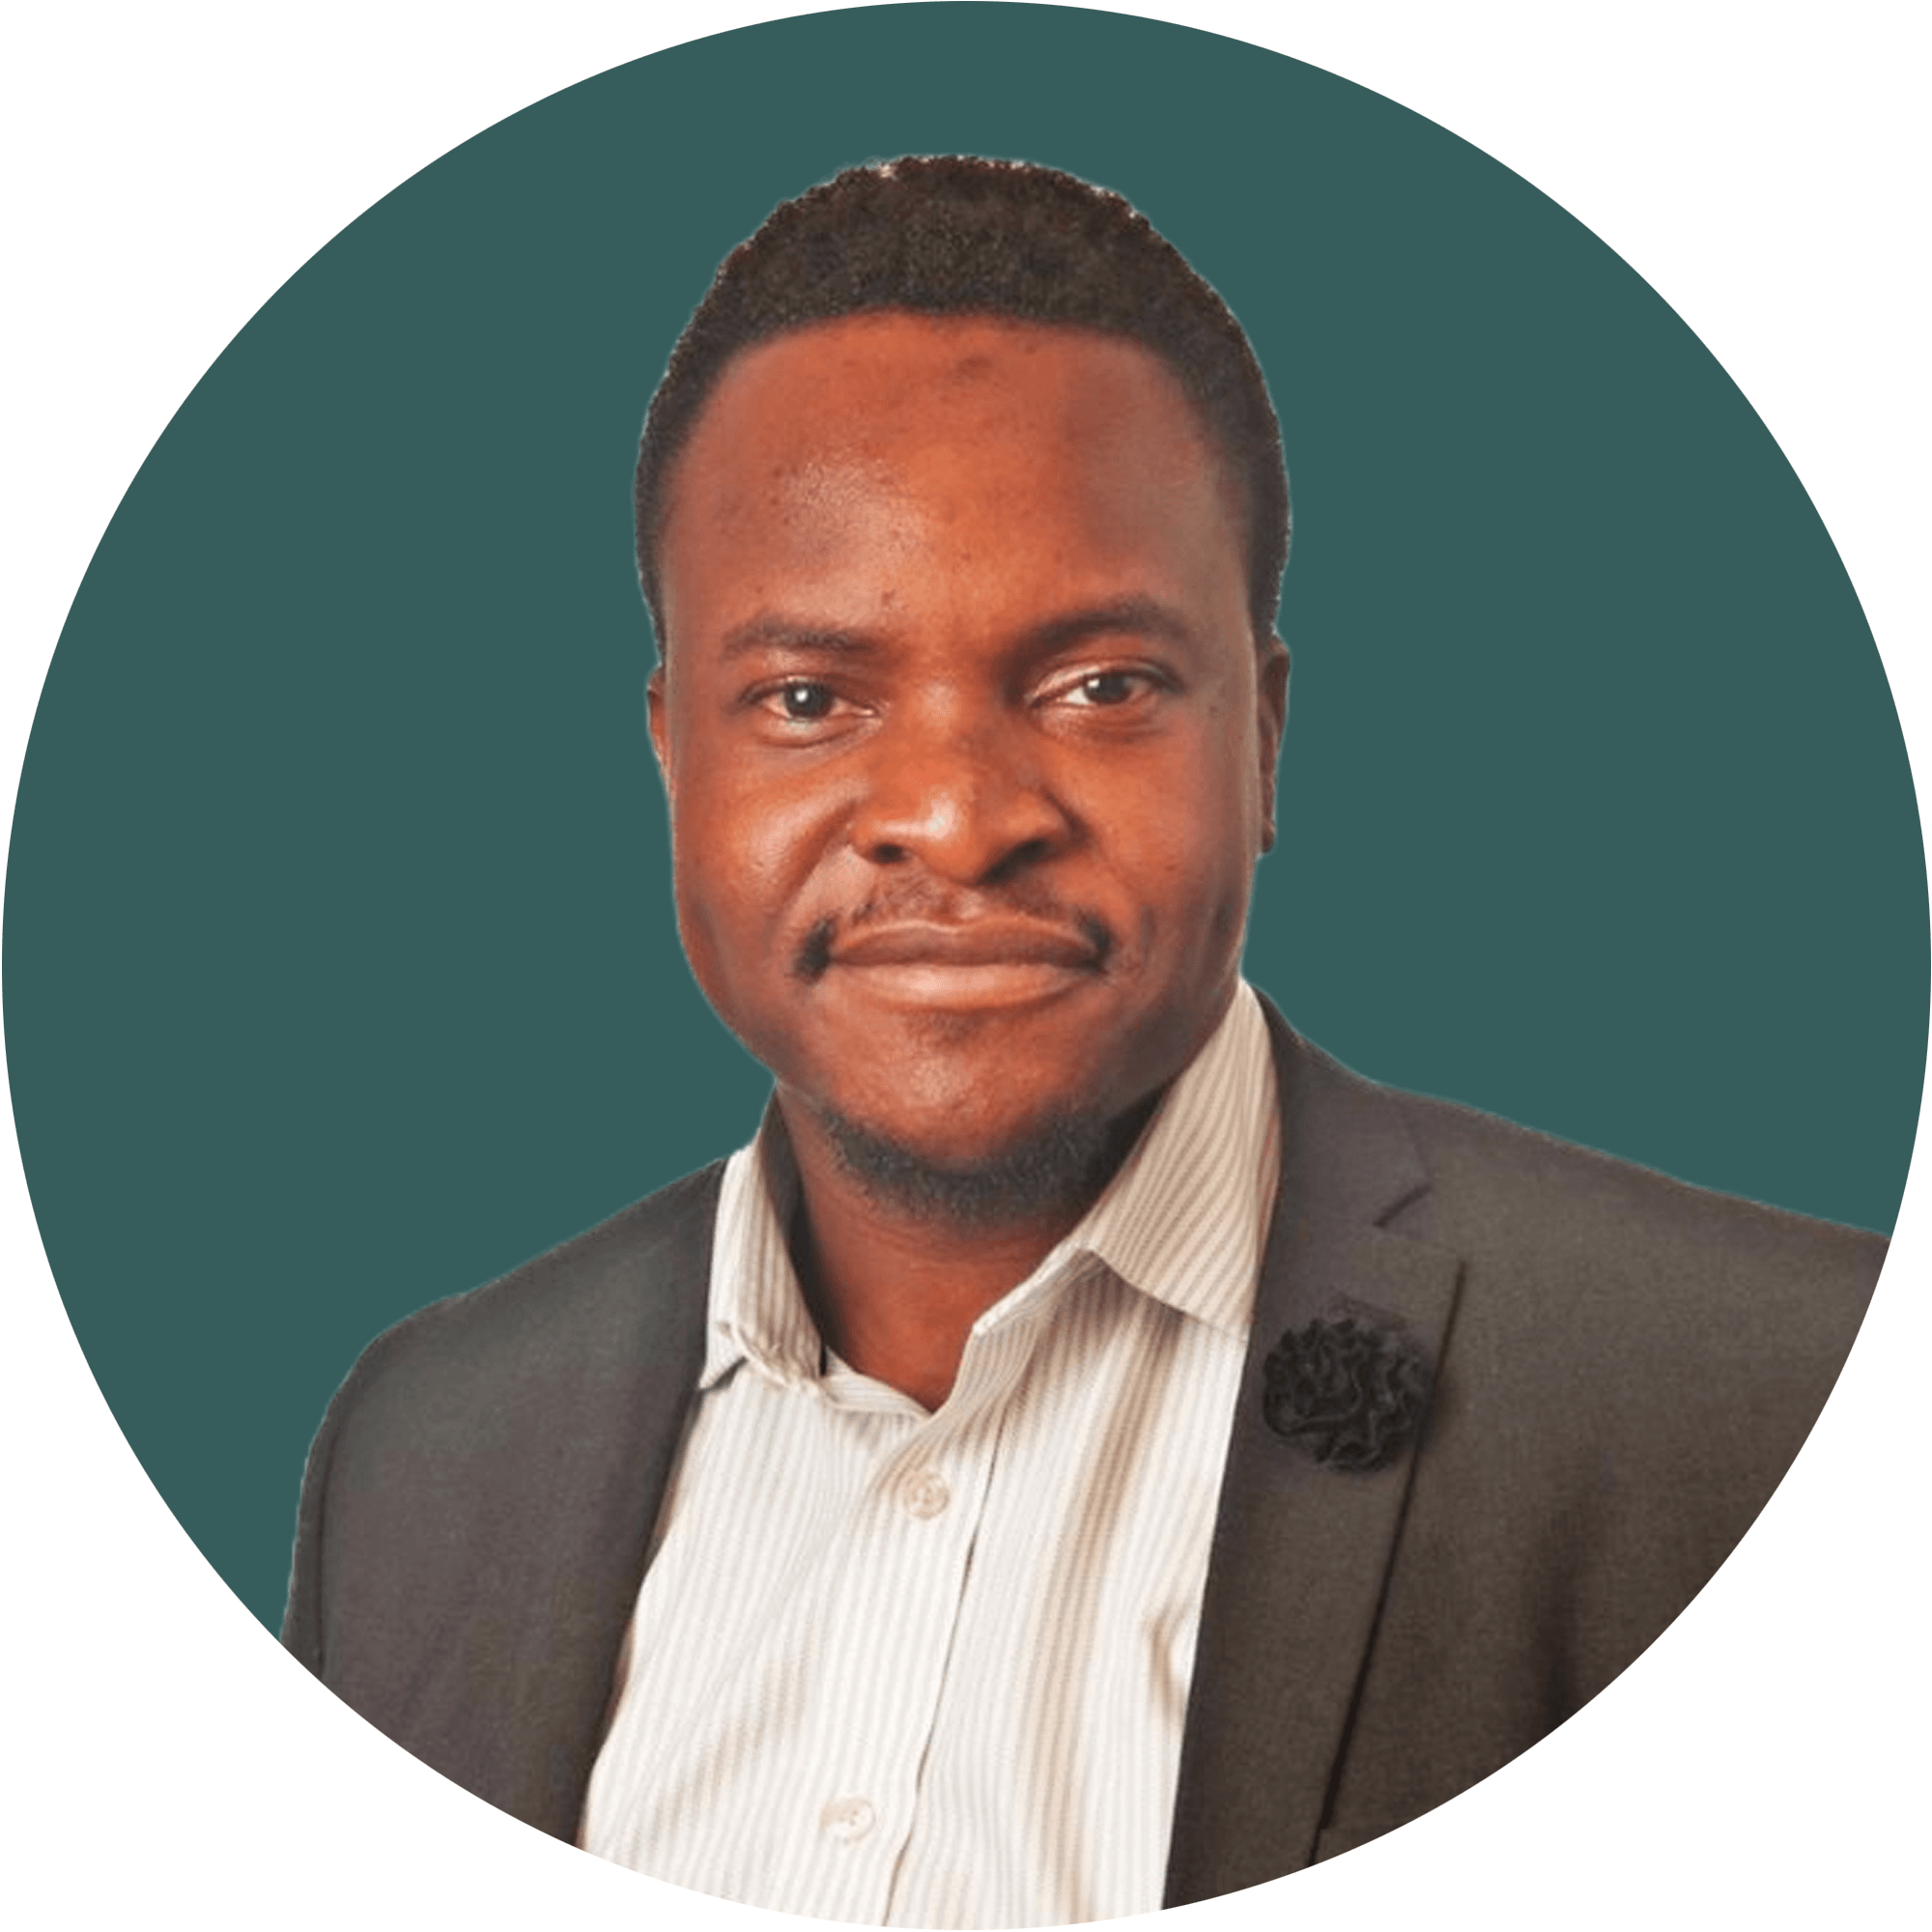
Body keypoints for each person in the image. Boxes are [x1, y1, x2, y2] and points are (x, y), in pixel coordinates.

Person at [282, 157, 1881, 1926]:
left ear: (1262, 742)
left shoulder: (1801, 1405)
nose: (959, 819)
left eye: (1101, 686)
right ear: (676, 754)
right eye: (808, 699)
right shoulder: (421, 1455)